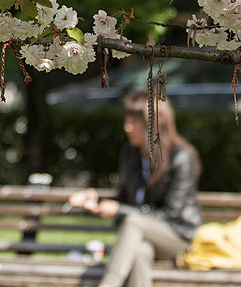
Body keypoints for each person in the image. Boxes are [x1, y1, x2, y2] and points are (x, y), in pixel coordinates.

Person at [68, 89, 202, 287]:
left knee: (133, 223)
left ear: (153, 125)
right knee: (140, 252)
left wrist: (120, 211)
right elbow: (126, 199)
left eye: (133, 122)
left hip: (178, 236)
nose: (126, 127)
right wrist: (96, 201)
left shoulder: (181, 158)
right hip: (142, 235)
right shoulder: (131, 153)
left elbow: (170, 214)